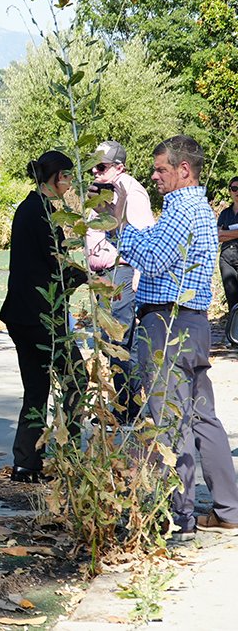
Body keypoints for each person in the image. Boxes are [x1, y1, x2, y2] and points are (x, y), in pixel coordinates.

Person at [119, 135, 238, 538]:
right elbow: (159, 251)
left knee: (170, 420)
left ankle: (180, 518)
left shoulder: (182, 209)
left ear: (184, 169)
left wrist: (121, 228)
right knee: (203, 417)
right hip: (192, 323)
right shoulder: (195, 208)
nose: (154, 176)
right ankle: (228, 509)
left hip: (168, 324)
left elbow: (153, 259)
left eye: (160, 169)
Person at [0, 151, 89, 482]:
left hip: (24, 313)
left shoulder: (29, 207)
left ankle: (27, 461)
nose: (69, 184)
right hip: (41, 316)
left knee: (37, 388)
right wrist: (90, 276)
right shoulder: (42, 213)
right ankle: (69, 454)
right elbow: (56, 266)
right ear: (56, 177)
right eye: (67, 177)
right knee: (76, 381)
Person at [85, 141, 155, 419]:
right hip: (105, 275)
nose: (95, 171)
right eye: (93, 167)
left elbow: (143, 236)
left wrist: (137, 277)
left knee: (118, 341)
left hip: (120, 273)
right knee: (116, 341)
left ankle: (130, 408)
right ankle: (128, 404)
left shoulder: (130, 192)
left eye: (101, 167)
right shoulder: (104, 191)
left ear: (119, 167)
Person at [219, 176, 238, 313]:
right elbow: (217, 236)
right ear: (230, 191)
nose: (237, 192)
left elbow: (221, 233)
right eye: (234, 188)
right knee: (232, 299)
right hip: (226, 259)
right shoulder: (225, 213)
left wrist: (225, 233)